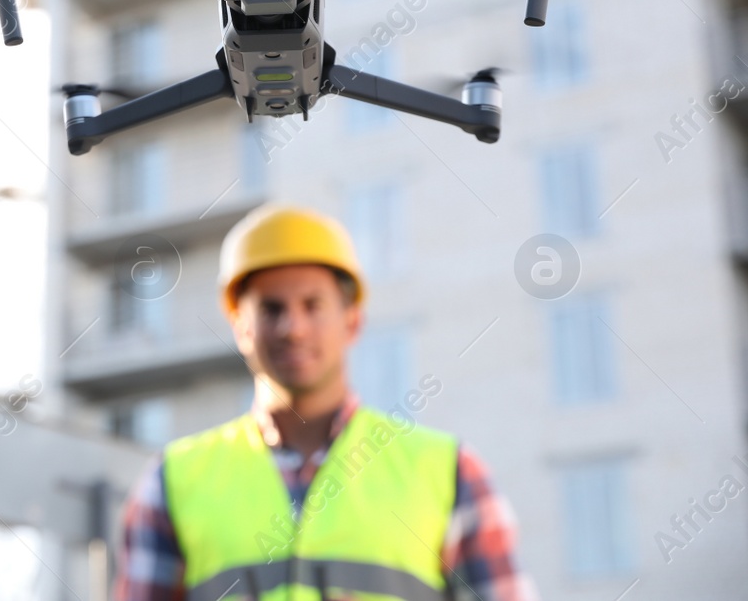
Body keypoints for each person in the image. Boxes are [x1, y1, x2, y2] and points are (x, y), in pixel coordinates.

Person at [113, 204, 537, 601]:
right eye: (271, 309)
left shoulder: (450, 472)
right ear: (240, 326)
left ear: (352, 320)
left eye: (312, 306)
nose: (293, 329)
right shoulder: (172, 482)